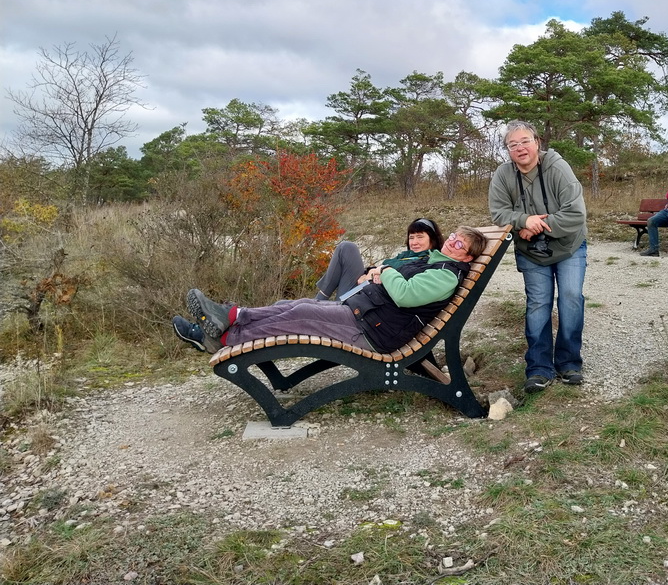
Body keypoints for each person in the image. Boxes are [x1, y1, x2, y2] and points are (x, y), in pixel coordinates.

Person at [172, 226, 487, 355]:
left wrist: (385, 271)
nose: (453, 242)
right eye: (454, 236)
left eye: (461, 244)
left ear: (467, 258)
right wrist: (382, 273)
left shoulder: (445, 275)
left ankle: (223, 338)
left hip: (373, 332)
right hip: (365, 313)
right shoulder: (433, 261)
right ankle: (230, 316)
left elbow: (405, 295)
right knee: (293, 306)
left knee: (301, 314)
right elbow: (399, 285)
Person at [488, 120, 588, 393]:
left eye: (525, 141)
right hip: (531, 251)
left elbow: (576, 213)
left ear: (537, 143)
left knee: (571, 297)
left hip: (568, 245)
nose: (520, 148)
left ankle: (569, 363)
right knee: (538, 304)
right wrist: (524, 220)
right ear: (508, 150)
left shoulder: (557, 167)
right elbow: (498, 213)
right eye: (513, 144)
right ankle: (539, 368)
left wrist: (537, 226)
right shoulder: (503, 175)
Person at [314, 218, 444, 300]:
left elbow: (405, 278)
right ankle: (320, 299)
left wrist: (379, 272)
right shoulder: (406, 256)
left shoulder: (429, 261)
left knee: (346, 247)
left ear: (432, 240)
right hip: (361, 289)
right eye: (411, 237)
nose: (414, 242)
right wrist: (371, 271)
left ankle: (319, 304)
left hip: (366, 302)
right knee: (346, 247)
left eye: (420, 237)